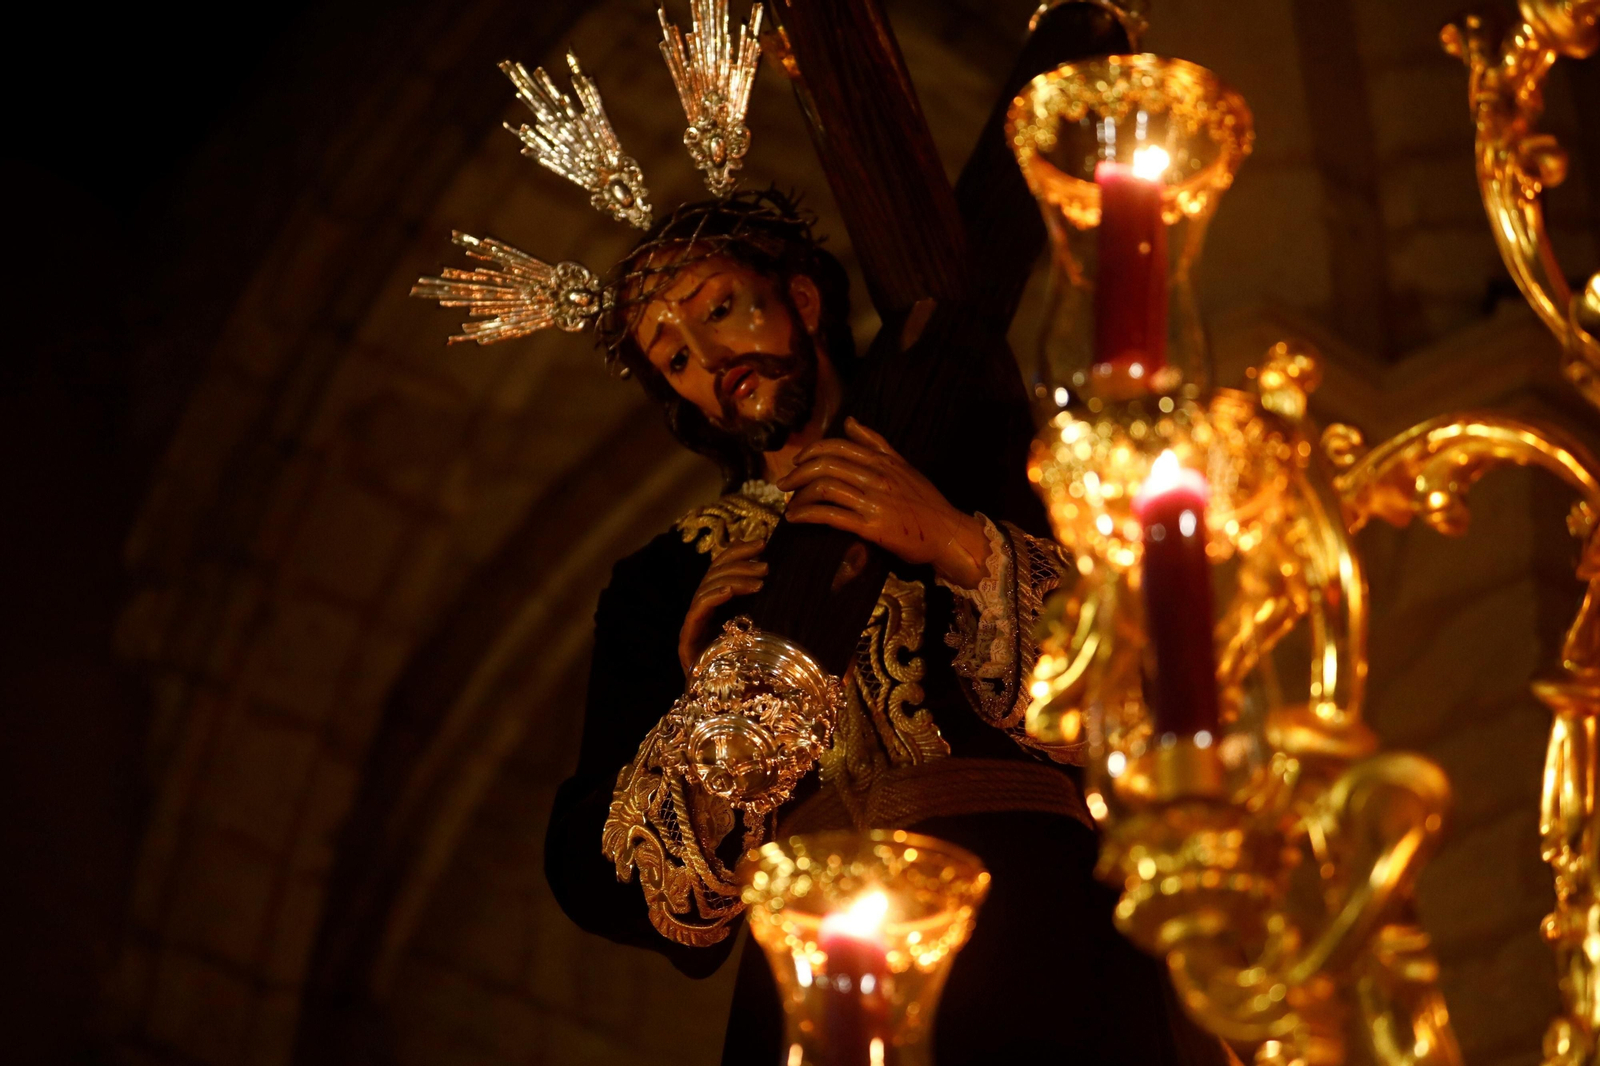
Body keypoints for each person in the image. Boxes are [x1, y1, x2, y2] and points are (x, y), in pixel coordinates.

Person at [543, 189, 1217, 1065]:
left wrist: (958, 543)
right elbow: (599, 869)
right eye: (675, 357)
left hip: (1036, 929)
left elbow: (1154, 678)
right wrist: (711, 717)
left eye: (720, 309)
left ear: (803, 301)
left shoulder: (987, 457)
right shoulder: (664, 583)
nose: (713, 358)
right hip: (815, 968)